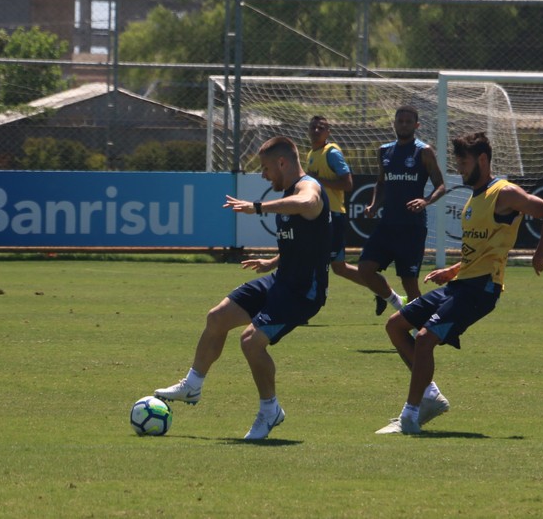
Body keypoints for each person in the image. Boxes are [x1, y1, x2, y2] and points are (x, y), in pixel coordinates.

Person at [376, 131, 543, 434]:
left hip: (482, 289)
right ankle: (430, 395)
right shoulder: (475, 198)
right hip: (460, 284)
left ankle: (410, 417)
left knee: (424, 339)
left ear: (483, 160)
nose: (460, 169)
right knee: (395, 325)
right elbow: (483, 248)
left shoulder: (504, 193)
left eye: (463, 162)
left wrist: (538, 256)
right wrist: (453, 270)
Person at [154, 136, 331, 440]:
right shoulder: (288, 190)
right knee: (218, 317)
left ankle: (269, 410)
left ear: (282, 163)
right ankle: (192, 385)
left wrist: (258, 207)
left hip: (303, 291)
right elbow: (307, 241)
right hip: (281, 279)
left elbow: (309, 204)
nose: (263, 175)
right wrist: (273, 261)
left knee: (251, 342)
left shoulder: (307, 186)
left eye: (265, 168)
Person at [359, 105, 447, 314]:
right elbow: (381, 183)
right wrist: (374, 205)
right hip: (387, 225)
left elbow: (441, 185)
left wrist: (425, 201)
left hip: (412, 227)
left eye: (409, 122)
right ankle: (397, 302)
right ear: (395, 123)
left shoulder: (423, 151)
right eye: (400, 121)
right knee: (365, 269)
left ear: (417, 125)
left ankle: (421, 327)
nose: (404, 125)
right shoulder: (384, 151)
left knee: (409, 282)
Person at [304, 115, 370, 306]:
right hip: (319, 215)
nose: (316, 130)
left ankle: (310, 302)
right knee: (338, 267)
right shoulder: (311, 154)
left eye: (321, 127)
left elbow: (348, 184)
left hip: (332, 215)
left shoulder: (331, 152)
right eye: (313, 127)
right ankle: (382, 290)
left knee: (324, 263)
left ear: (328, 132)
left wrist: (317, 181)